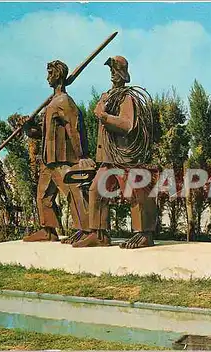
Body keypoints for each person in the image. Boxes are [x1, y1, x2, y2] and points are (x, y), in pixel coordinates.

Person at [71, 55, 156, 248]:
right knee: (96, 190)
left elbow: (127, 125)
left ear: (123, 74)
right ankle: (99, 234)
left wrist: (104, 116)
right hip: (108, 158)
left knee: (134, 192)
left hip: (124, 157)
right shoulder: (106, 96)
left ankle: (144, 234)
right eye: (110, 71)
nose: (112, 75)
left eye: (115, 71)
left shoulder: (127, 98)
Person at [13, 60, 93, 242]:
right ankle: (48, 231)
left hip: (62, 160)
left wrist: (82, 156)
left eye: (50, 73)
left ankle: (87, 231)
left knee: (74, 194)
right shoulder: (52, 103)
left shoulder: (64, 102)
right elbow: (44, 134)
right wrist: (28, 127)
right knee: (43, 196)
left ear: (57, 75)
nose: (47, 77)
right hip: (48, 161)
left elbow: (74, 129)